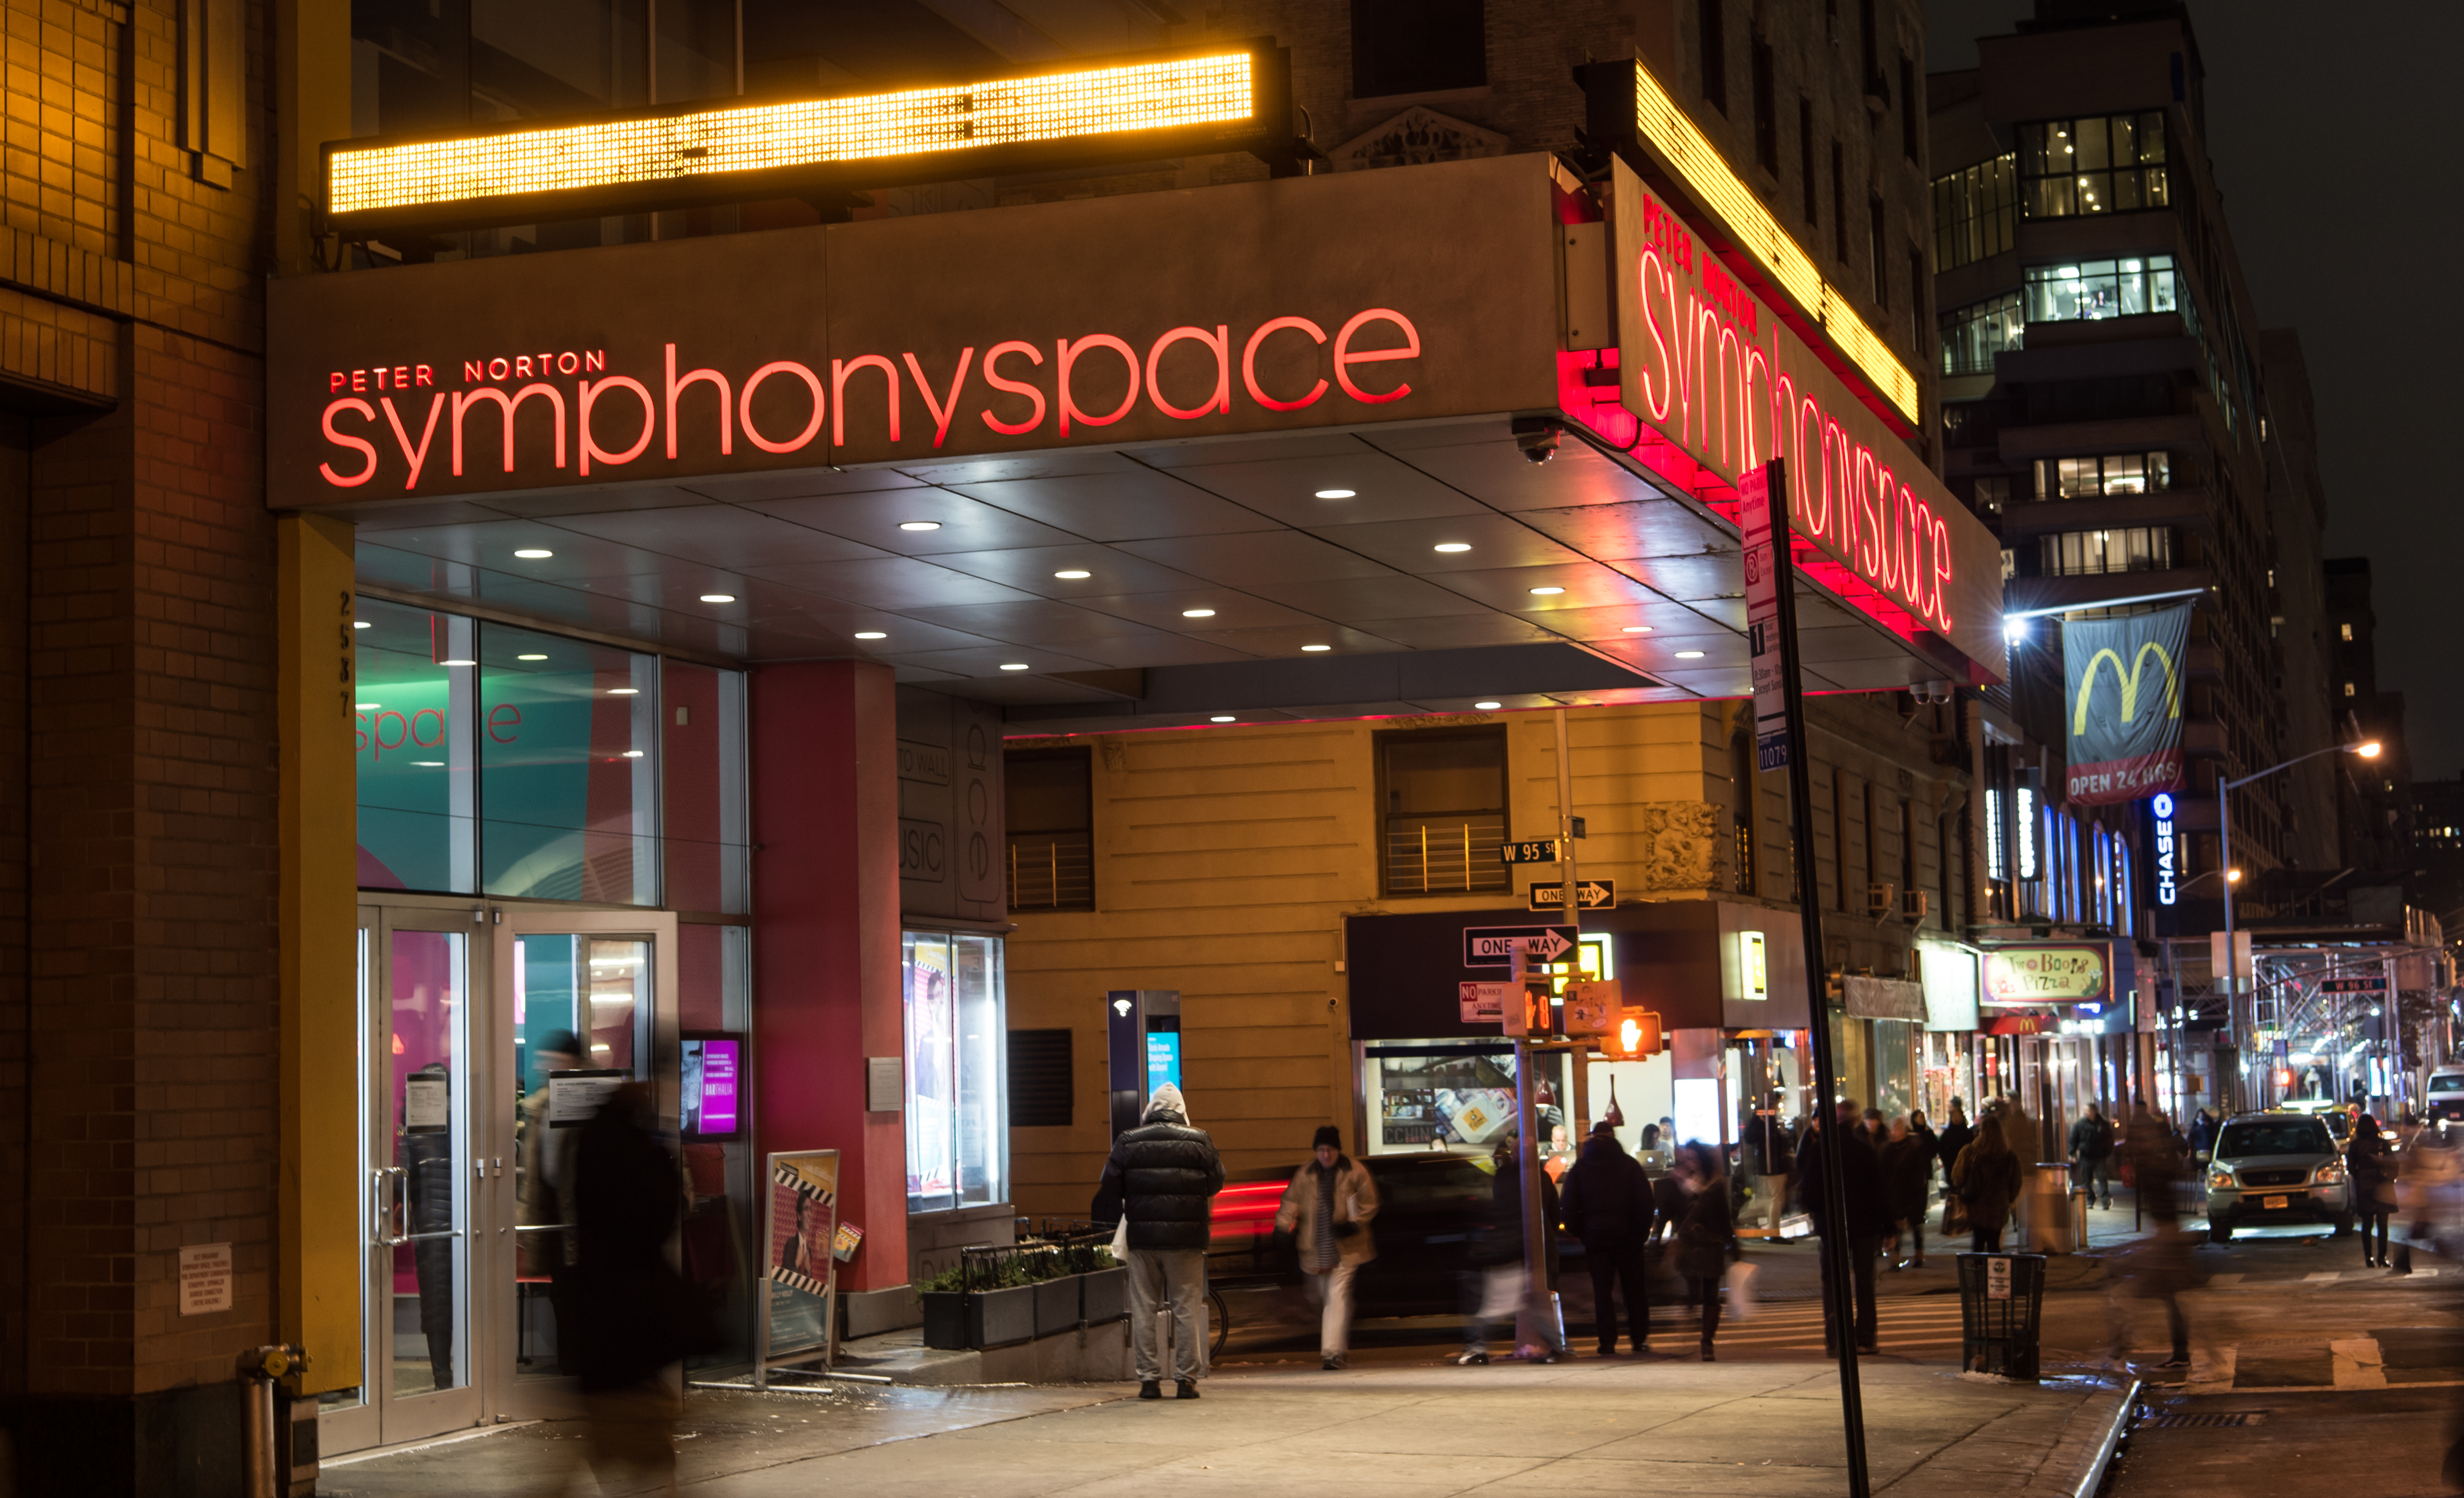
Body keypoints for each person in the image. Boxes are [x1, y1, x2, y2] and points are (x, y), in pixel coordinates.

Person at [556, 1082, 715, 1497]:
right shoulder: (638, 1154)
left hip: (599, 1309)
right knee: (638, 1425)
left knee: (606, 1426)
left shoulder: (589, 1147)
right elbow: (661, 1214)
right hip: (633, 1311)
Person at [1094, 1083, 1224, 1400]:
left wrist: (1136, 1197)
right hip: (1187, 1241)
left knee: (1144, 1309)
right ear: (1181, 1109)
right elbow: (1216, 1182)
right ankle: (1186, 1380)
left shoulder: (1128, 1141)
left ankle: (1149, 1380)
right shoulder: (1200, 1141)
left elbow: (1109, 1184)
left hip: (1143, 1240)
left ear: (1151, 1109)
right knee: (1187, 1309)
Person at [1274, 1125, 1380, 1370]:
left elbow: (1369, 1201)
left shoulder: (1354, 1171)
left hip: (1346, 1248)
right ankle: (1339, 1345)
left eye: (1330, 1150)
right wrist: (1282, 1227)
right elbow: (1290, 1201)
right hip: (1314, 1248)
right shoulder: (1306, 1174)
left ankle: (1331, 1354)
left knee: (1336, 1296)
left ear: (1337, 1150)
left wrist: (1355, 1224)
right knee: (1322, 1299)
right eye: (1321, 1150)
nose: (1325, 1155)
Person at [2103, 1100, 2194, 1373]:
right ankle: (2179, 1352)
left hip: (2166, 1239)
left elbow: (2171, 1169)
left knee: (2130, 1291)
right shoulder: (2155, 1161)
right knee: (2167, 1297)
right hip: (2165, 1236)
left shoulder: (2154, 1163)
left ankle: (2121, 1346)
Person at [1791, 1099, 1885, 1356]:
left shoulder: (1821, 1149)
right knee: (1865, 1282)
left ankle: (1836, 1339)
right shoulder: (1864, 1150)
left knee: (1833, 1282)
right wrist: (1886, 1228)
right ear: (1855, 1121)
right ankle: (1864, 1338)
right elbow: (1878, 1193)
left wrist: (1823, 1210)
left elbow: (1808, 1194)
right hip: (1864, 1227)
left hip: (1832, 1227)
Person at [1460, 1133, 1563, 1364]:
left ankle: (1476, 1348)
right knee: (1534, 1303)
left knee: (1495, 1306)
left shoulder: (1502, 1179)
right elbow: (1554, 1214)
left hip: (1507, 1248)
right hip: (1530, 1248)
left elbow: (1494, 1210)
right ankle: (1556, 1347)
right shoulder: (1540, 1178)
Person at [1560, 1120, 1654, 1356]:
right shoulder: (1629, 1165)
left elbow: (1569, 1206)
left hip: (1597, 1240)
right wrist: (1640, 1233)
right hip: (1629, 1239)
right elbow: (1645, 1203)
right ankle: (1639, 1338)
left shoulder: (1581, 1168)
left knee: (1602, 1293)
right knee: (1635, 1291)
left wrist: (1583, 1232)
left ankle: (1607, 1342)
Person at [1671, 1142, 1741, 1361]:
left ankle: (1707, 1342)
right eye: (1687, 1158)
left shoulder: (1715, 1186)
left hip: (1711, 1246)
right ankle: (1690, 1311)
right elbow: (1671, 1214)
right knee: (1693, 1290)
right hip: (1690, 1247)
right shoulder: (1677, 1183)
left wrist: (1735, 1250)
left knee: (1711, 1295)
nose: (1690, 1163)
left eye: (1694, 1158)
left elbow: (1724, 1220)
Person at [1951, 1104, 2023, 1252]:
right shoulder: (2009, 1156)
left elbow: (1957, 1177)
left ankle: (1977, 1273)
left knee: (1978, 1243)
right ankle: (1995, 1273)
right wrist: (2007, 1198)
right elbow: (2016, 1182)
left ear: (1981, 1131)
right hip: (1999, 1208)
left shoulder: (1970, 1152)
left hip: (1976, 1206)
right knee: (1994, 1244)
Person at [1880, 1116, 1934, 1270]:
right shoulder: (1887, 1149)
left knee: (1915, 1225)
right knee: (1895, 1226)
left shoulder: (1914, 1146)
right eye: (1892, 1129)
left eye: (1897, 1129)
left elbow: (1920, 1172)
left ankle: (1918, 1256)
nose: (1894, 1132)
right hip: (1894, 1193)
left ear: (1904, 1130)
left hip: (1913, 1192)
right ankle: (1895, 1259)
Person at [2349, 1112, 2398, 1268]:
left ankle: (2368, 1257)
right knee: (2383, 1224)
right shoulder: (2382, 1144)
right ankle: (2382, 1257)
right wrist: (2390, 1179)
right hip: (2382, 1185)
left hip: (2365, 1186)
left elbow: (2351, 1167)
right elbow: (2394, 1164)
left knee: (2367, 1223)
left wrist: (2360, 1177)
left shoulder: (2355, 1145)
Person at [1936, 1100, 1975, 1237]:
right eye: (1954, 1117)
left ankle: (1966, 1217)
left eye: (1959, 1116)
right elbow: (1941, 1149)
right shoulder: (1947, 1134)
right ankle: (1956, 1217)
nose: (1957, 1119)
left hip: (1966, 1167)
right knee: (1955, 1193)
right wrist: (1947, 1162)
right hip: (1952, 1167)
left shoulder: (1968, 1133)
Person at [2069, 1103, 2117, 1209]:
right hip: (2086, 1156)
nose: (2086, 1113)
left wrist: (2107, 1152)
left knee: (2102, 1178)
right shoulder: (2080, 1124)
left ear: (2094, 1111)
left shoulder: (2103, 1124)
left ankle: (2105, 1201)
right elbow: (2074, 1139)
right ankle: (2090, 1200)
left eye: (2088, 1111)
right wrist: (2073, 1153)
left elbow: (2109, 1140)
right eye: (2085, 1111)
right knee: (2087, 1180)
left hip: (2100, 1156)